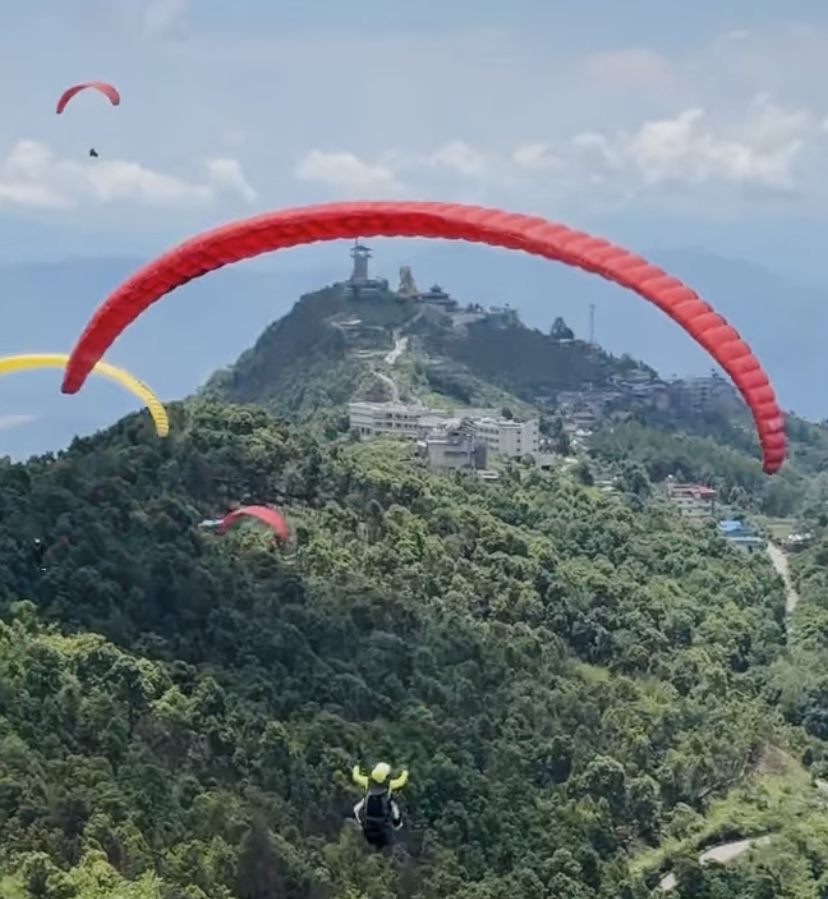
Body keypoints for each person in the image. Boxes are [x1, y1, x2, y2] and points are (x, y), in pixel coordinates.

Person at [351, 762, 408, 847]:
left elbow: (356, 777)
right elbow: (401, 782)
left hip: (369, 817)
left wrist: (356, 768)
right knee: (394, 807)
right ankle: (397, 823)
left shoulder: (367, 781)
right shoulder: (389, 785)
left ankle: (358, 821)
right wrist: (405, 773)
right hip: (382, 819)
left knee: (357, 808)